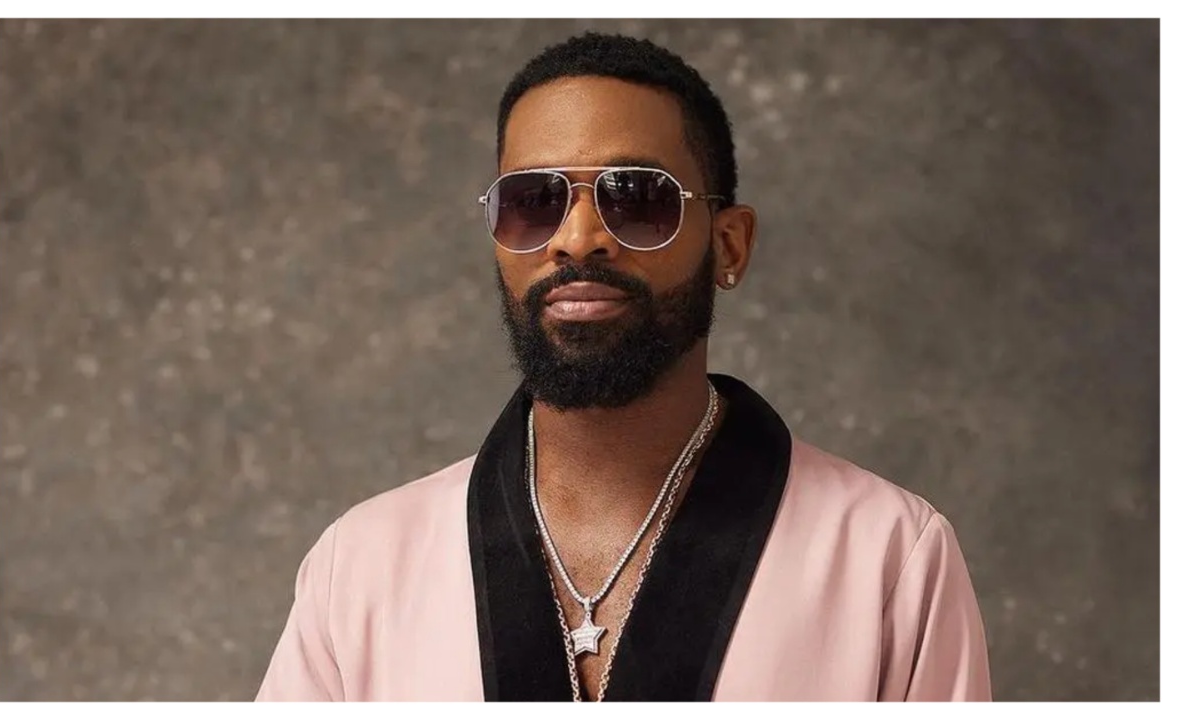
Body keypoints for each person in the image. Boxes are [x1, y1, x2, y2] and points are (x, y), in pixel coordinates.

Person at [255, 31, 992, 702]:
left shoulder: (890, 558)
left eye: (637, 198)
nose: (577, 239)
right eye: (533, 201)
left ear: (729, 245)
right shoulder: (360, 568)